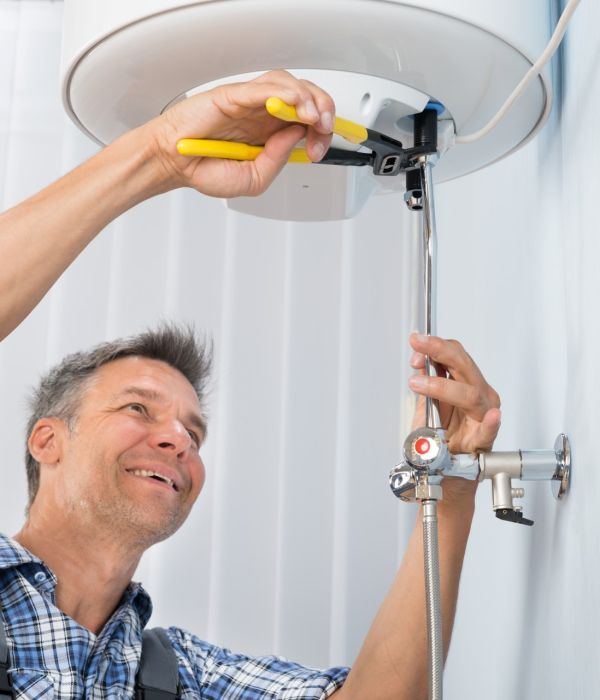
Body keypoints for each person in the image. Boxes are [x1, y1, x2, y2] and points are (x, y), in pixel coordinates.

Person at [0, 70, 501, 699]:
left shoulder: (178, 674)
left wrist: (450, 486)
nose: (179, 442)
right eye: (138, 408)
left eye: (193, 432)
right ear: (47, 440)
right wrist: (160, 153)